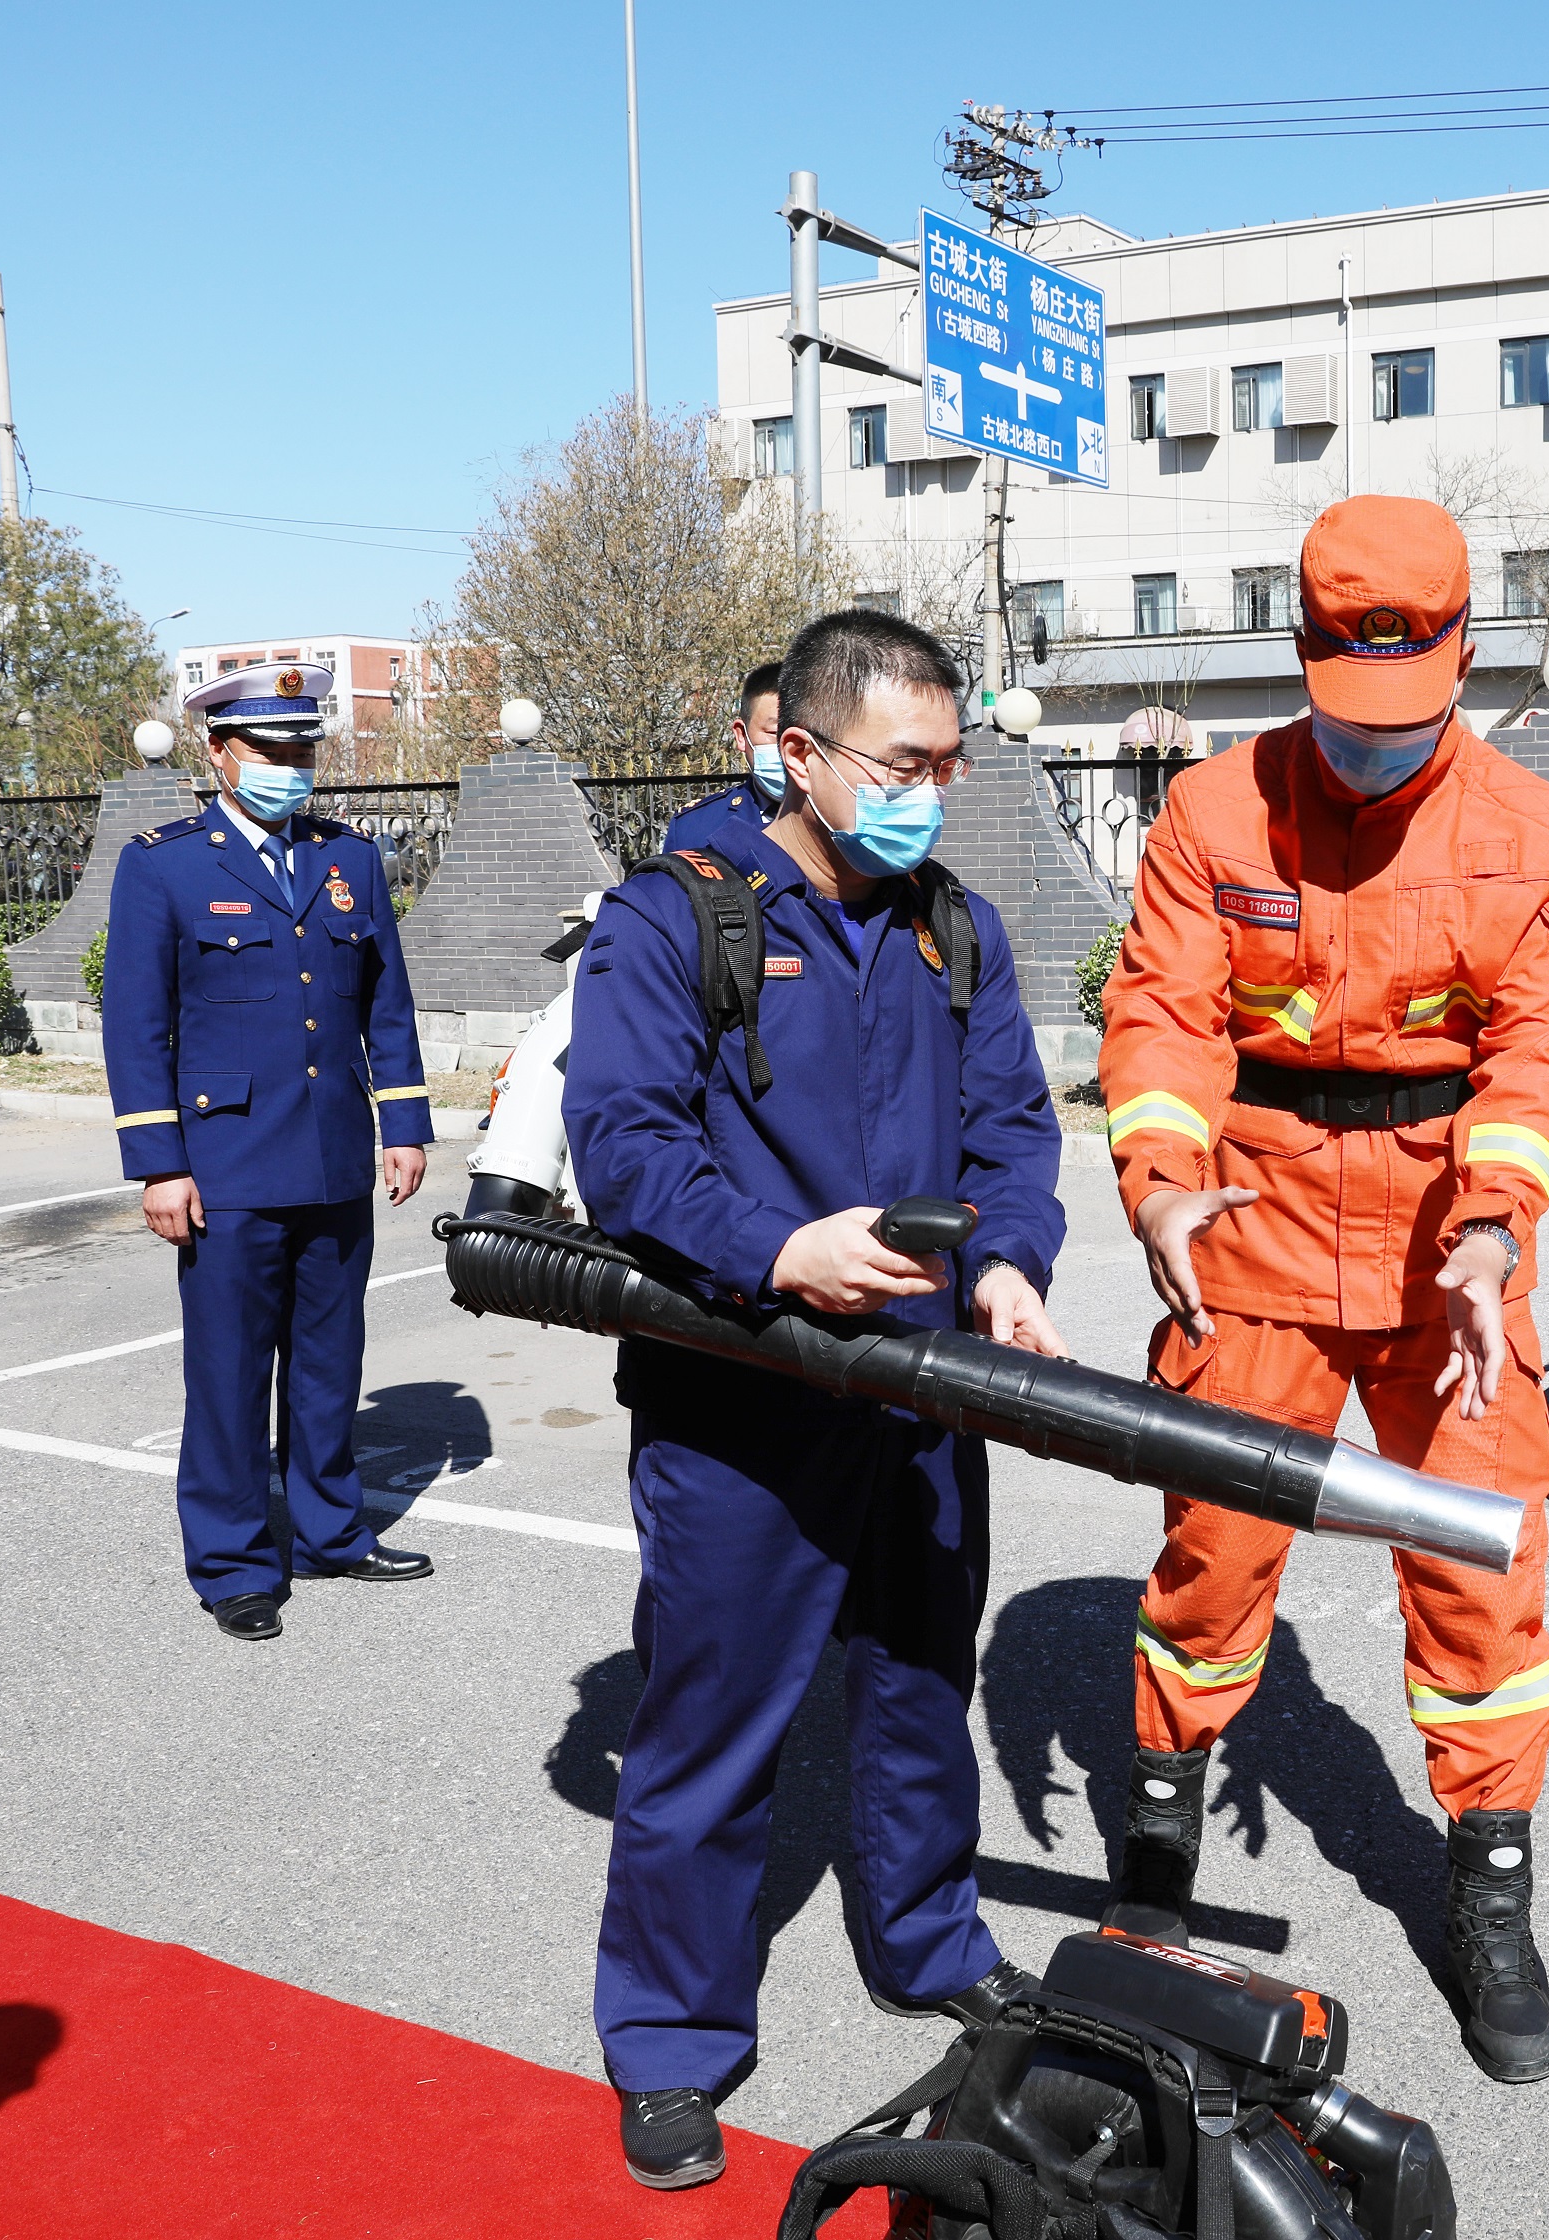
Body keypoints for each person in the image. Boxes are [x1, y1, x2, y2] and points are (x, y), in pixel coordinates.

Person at [563, 608, 1068, 2193]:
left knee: (923, 1685)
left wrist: (1010, 1264)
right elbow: (627, 1143)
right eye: (902, 764)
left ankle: (928, 1941)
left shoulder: (954, 926)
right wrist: (777, 1248)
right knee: (714, 1726)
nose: (932, 790)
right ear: (802, 753)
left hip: (924, 1385)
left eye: (948, 763)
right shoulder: (677, 919)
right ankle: (668, 2040)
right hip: (743, 1399)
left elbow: (1014, 1134)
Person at [1095, 495, 1549, 2085]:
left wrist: (1500, 1222)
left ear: (1463, 659)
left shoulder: (1535, 828)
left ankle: (1490, 1890)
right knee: (1213, 1557)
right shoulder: (1208, 812)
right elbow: (1164, 1018)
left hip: (1447, 1253)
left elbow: (1535, 1045)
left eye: (1413, 712)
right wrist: (1160, 1189)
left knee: (1481, 1575)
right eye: (1346, 712)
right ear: (1300, 659)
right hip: (1252, 1232)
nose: (1377, 746)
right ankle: (1158, 1860)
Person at [104, 662, 436, 1644]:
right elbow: (139, 1028)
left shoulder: (350, 860)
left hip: (335, 1155)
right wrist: (159, 1164)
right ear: (219, 751)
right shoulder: (165, 864)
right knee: (231, 1372)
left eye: (304, 749)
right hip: (226, 1165)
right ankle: (236, 1562)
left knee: (331, 1363)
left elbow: (387, 1001)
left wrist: (407, 1122)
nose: (293, 766)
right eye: (272, 749)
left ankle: (332, 1529)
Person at [660, 659, 787, 855]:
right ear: (742, 736)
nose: (791, 746)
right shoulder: (695, 828)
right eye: (775, 732)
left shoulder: (846, 824)